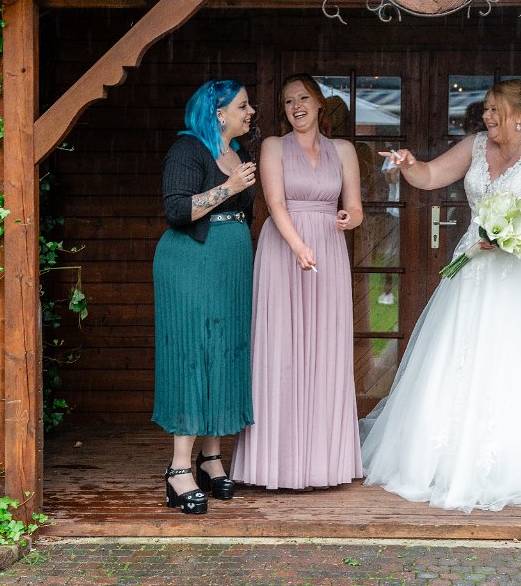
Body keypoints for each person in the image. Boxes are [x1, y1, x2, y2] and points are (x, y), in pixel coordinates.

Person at [361, 79, 521, 513]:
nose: (487, 116)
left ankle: (517, 465)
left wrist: (512, 227)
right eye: (486, 109)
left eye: (495, 109)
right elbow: (430, 176)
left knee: (519, 357)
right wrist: (409, 164)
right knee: (465, 353)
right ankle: (449, 458)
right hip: (478, 266)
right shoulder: (476, 146)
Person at [231, 74, 364, 490]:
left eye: (303, 98)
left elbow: (356, 208)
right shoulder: (273, 146)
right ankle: (276, 464)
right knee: (282, 348)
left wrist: (348, 218)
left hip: (328, 250)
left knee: (326, 348)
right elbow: (275, 204)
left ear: (319, 102)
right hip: (284, 249)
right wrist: (298, 245)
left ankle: (324, 464)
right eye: (288, 102)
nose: (296, 107)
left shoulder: (344, 150)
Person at [152, 79, 258, 515]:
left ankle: (211, 457)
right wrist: (229, 187)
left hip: (230, 265)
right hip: (190, 263)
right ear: (219, 113)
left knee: (225, 351)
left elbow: (245, 213)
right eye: (243, 106)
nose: (250, 112)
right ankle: (179, 469)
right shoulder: (188, 149)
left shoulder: (240, 152)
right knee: (193, 353)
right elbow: (177, 210)